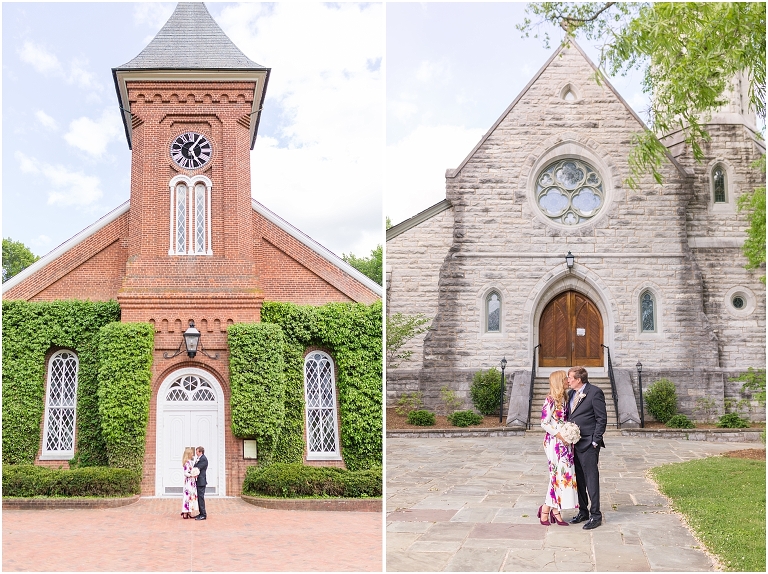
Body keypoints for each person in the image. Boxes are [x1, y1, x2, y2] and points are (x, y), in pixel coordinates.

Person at [566, 366, 607, 530]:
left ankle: (596, 515)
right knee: (579, 480)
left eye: (570, 378)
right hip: (574, 444)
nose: (568, 381)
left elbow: (601, 418)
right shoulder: (571, 394)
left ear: (578, 379)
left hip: (589, 444)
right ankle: (583, 511)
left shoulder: (595, 392)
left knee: (591, 479)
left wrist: (595, 441)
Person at [538, 370, 578, 526]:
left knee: (562, 476)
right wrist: (559, 435)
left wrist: (569, 434)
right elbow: (544, 423)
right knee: (556, 475)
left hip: (565, 442)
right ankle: (547, 510)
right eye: (565, 379)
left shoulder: (565, 398)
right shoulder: (550, 400)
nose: (568, 380)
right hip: (554, 442)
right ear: (559, 381)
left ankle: (553, 510)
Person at [181, 447, 199, 519]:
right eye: (191, 453)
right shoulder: (186, 463)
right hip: (189, 482)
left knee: (191, 496)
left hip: (192, 481)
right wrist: (192, 475)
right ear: (188, 454)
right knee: (187, 496)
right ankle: (185, 512)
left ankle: (189, 511)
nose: (192, 455)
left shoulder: (190, 462)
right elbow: (185, 473)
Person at [193, 446, 208, 520]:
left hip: (201, 481)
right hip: (198, 480)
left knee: (201, 497)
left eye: (197, 451)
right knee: (199, 497)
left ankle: (203, 514)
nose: (196, 453)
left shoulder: (203, 459)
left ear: (200, 452)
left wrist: (192, 472)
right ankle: (201, 513)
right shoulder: (199, 458)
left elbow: (197, 468)